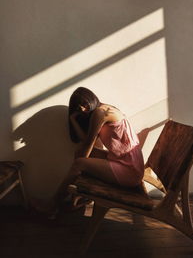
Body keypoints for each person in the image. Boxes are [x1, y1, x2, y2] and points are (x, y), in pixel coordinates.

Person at [50, 87, 144, 217]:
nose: (82, 109)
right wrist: (73, 119)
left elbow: (88, 144)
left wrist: (79, 163)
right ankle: (76, 200)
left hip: (130, 170)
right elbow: (87, 140)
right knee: (80, 155)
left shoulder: (100, 113)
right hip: (124, 161)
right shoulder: (104, 109)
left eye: (84, 104)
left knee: (80, 162)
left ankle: (52, 204)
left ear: (91, 99)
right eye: (79, 107)